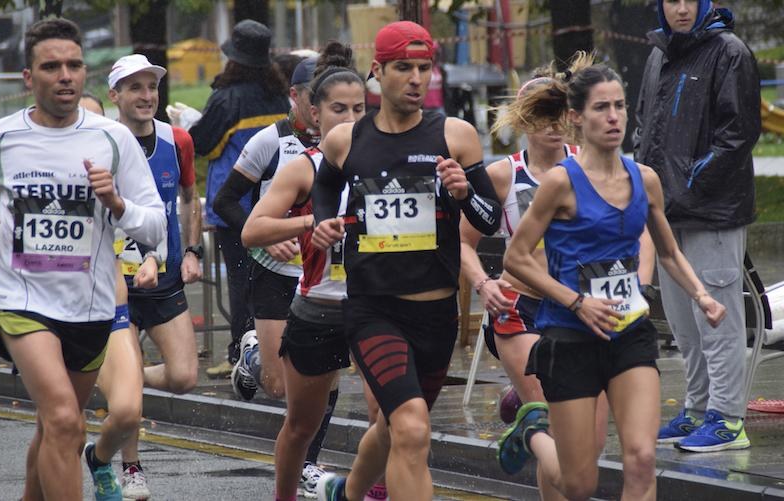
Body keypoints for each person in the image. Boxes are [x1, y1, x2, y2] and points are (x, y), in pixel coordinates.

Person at [497, 58, 726, 500]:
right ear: (576, 118)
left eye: (620, 106)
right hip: (571, 338)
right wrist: (575, 302)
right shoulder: (561, 183)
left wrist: (702, 296)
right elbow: (516, 258)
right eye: (601, 108)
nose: (614, 117)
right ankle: (532, 434)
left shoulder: (646, 179)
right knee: (579, 483)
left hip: (629, 332)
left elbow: (668, 251)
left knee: (641, 459)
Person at [311, 21, 502, 501]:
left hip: (437, 313)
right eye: (403, 68)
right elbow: (325, 186)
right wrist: (323, 223)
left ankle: (347, 493)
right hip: (373, 310)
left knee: (397, 425)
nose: (416, 79)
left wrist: (462, 193)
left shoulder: (455, 136)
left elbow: (490, 218)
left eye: (423, 68)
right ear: (377, 71)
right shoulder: (346, 140)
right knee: (413, 428)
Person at [0, 18, 166, 501]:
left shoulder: (113, 140)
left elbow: (155, 226)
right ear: (28, 77)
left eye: (74, 64)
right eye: (51, 66)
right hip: (22, 300)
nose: (65, 74)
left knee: (57, 428)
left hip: (90, 309)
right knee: (66, 419)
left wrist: (118, 205)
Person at [461, 60, 614, 501]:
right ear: (524, 122)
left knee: (589, 442)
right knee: (556, 424)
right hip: (518, 308)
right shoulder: (503, 175)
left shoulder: (587, 168)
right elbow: (463, 242)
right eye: (542, 119)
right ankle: (529, 416)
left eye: (561, 118)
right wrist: (483, 284)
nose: (554, 128)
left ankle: (524, 420)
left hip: (575, 308)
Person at [633, 0, 761, 452]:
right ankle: (696, 408)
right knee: (684, 322)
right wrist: (647, 183)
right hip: (667, 213)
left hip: (714, 211)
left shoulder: (729, 52)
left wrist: (688, 182)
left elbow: (739, 133)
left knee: (716, 315)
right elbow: (643, 127)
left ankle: (728, 420)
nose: (681, 9)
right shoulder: (658, 54)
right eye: (672, 0)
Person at [243, 41, 366, 501]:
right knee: (299, 424)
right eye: (339, 109)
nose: (350, 119)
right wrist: (308, 222)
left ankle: (367, 490)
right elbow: (252, 231)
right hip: (318, 305)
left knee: (395, 417)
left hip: (377, 308)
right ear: (315, 114)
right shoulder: (303, 168)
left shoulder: (387, 165)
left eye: (359, 108)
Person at [82, 54, 203, 500]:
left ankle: (109, 377)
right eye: (135, 88)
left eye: (151, 87)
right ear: (115, 96)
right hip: (115, 284)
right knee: (128, 406)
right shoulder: (99, 146)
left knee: (185, 376)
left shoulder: (178, 141)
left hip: (167, 278)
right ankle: (129, 467)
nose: (146, 96)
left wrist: (191, 250)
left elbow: (190, 197)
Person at [214, 55, 320, 403]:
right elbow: (225, 201)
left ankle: (309, 459)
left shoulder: (347, 145)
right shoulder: (270, 141)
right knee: (279, 387)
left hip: (325, 275)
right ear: (294, 95)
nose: (320, 107)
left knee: (320, 377)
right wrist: (268, 237)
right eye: (313, 97)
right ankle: (252, 355)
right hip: (276, 271)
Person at [189, 19, 290, 378]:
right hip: (278, 205)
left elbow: (201, 143)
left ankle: (240, 356)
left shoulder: (226, 99)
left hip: (236, 208)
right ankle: (276, 355)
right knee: (275, 282)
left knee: (241, 281)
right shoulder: (280, 96)